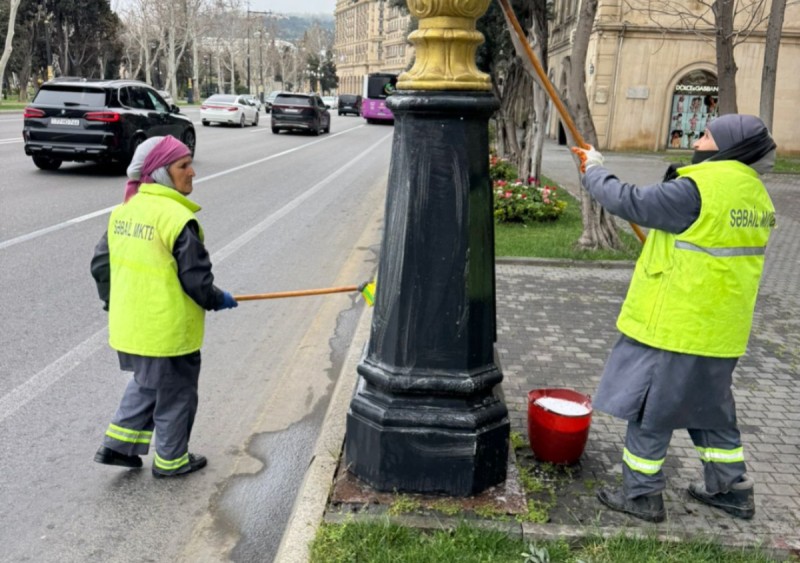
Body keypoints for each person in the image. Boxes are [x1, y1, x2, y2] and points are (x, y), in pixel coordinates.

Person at [571, 114, 777, 523]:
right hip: (720, 331)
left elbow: (628, 201)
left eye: (705, 136)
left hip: (675, 326)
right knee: (710, 410)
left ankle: (641, 495)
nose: (698, 142)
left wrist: (593, 168)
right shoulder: (755, 194)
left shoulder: (700, 188)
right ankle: (731, 489)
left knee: (652, 408)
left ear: (726, 146)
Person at [91, 135, 239, 478]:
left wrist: (117, 303)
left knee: (147, 383)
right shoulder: (176, 219)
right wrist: (218, 299)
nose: (192, 173)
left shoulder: (123, 212)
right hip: (167, 331)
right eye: (183, 166)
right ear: (160, 173)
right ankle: (172, 461)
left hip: (131, 326)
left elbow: (100, 266)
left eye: (190, 164)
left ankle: (118, 446)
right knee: (176, 394)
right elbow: (197, 282)